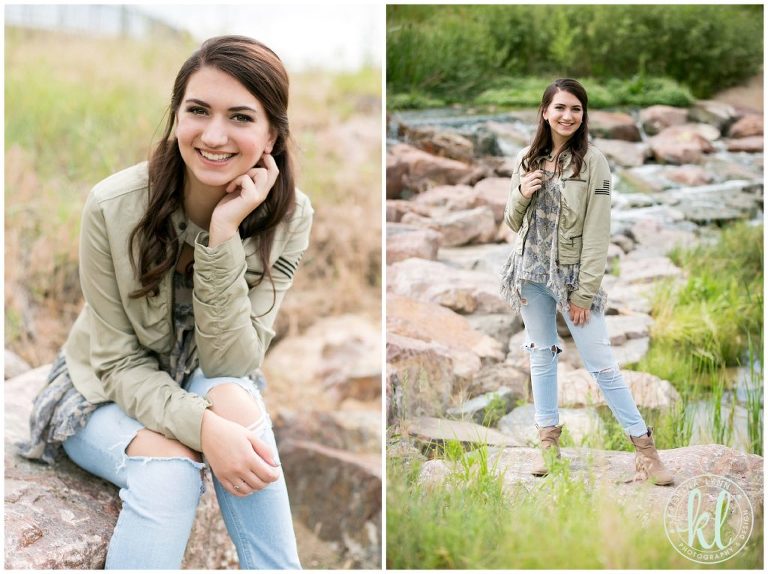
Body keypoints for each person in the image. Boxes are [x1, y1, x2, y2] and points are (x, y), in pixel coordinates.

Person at [19, 35, 313, 568]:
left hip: (203, 376)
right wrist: (202, 431)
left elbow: (230, 364)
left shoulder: (289, 218)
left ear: (272, 134)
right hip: (102, 390)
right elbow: (117, 362)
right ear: (176, 116)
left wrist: (223, 234)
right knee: (171, 474)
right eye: (198, 110)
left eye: (241, 117)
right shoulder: (112, 206)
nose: (214, 134)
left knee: (239, 409)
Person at [500, 78, 673, 486]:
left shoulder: (594, 162)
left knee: (602, 365)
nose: (567, 116)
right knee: (541, 356)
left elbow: (599, 231)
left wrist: (585, 291)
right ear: (545, 112)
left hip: (573, 276)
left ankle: (646, 452)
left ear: (583, 115)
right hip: (529, 273)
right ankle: (548, 445)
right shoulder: (526, 158)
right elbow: (511, 221)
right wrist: (522, 192)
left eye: (575, 109)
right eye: (559, 108)